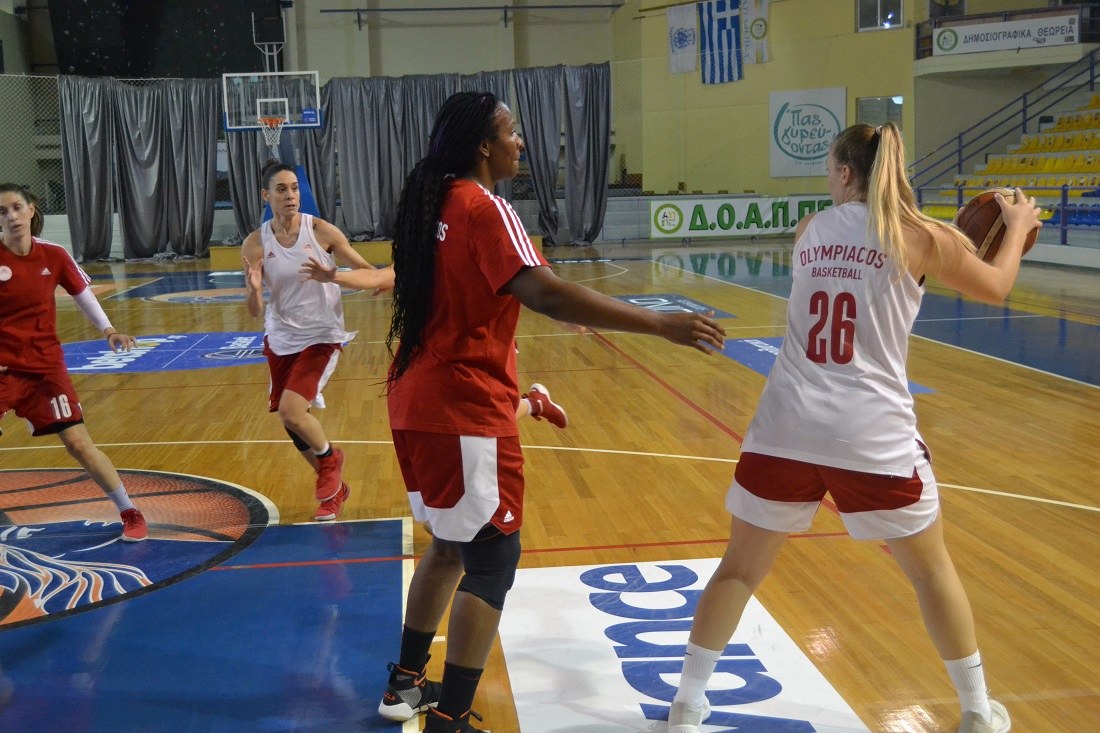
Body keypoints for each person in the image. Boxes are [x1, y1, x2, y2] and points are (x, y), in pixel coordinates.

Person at [667, 124, 1040, 733]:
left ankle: (687, 704)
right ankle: (976, 710)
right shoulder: (922, 238)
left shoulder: (809, 229)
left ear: (845, 173)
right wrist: (1017, 227)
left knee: (738, 570)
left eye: (829, 170)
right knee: (930, 572)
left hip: (786, 426)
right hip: (870, 435)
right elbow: (997, 285)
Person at [374, 91, 725, 733]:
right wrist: (660, 324)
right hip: (462, 407)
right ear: (484, 146)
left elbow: (467, 302)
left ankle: (405, 685)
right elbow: (549, 295)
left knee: (450, 546)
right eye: (511, 132)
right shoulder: (487, 207)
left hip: (414, 399)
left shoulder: (432, 204)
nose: (521, 143)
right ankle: (451, 716)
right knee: (492, 560)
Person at [242, 161, 390, 521]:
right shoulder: (255, 243)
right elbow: (254, 310)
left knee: (292, 411)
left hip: (321, 335)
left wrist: (357, 279)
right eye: (281, 189)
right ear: (266, 196)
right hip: (280, 336)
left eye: (294, 188)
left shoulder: (321, 231)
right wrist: (254, 290)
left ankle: (330, 460)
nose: (290, 195)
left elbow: (368, 271)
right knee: (292, 421)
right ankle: (335, 488)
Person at [0, 183, 148, 542]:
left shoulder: (53, 254)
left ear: (31, 209)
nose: (11, 216)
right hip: (3, 369)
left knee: (79, 443)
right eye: (2, 212)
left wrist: (108, 329)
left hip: (45, 368)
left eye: (17, 207)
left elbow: (82, 294)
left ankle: (130, 511)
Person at [300, 257, 568, 429]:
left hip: (483, 346)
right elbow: (377, 277)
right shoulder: (421, 256)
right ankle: (536, 404)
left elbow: (529, 287)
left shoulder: (478, 246)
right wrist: (332, 276)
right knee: (460, 418)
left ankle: (535, 404)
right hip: (439, 353)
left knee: (495, 417)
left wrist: (566, 315)